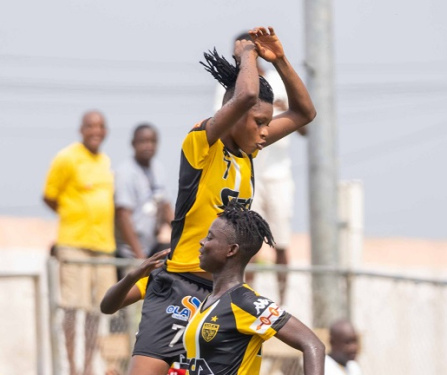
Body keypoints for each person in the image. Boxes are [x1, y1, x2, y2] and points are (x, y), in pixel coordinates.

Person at [101, 26, 316, 375]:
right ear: (233, 114)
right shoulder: (201, 144)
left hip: (223, 293)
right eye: (259, 123)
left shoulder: (248, 153)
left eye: (267, 123)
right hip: (178, 287)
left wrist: (280, 61)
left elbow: (305, 113)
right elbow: (245, 96)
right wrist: (247, 53)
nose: (266, 131)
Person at [214, 32, 307, 305]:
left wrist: (281, 110)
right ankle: (244, 295)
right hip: (242, 172)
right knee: (244, 239)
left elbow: (304, 121)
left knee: (281, 242)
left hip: (277, 175)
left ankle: (282, 301)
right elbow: (222, 121)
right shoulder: (229, 87)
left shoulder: (278, 83)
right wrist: (243, 69)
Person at [180, 202, 324, 374]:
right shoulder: (209, 300)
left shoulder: (246, 303)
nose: (202, 242)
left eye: (210, 237)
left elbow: (312, 344)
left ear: (231, 250)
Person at [43, 110, 116, 375]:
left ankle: (87, 367)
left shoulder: (105, 162)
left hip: (104, 246)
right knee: (74, 308)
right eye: (90, 126)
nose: (96, 131)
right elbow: (50, 196)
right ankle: (72, 366)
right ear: (81, 129)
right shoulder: (66, 158)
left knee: (97, 310)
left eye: (101, 126)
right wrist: (74, 218)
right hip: (74, 244)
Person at [114, 123, 174, 265]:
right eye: (143, 141)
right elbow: (123, 216)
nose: (148, 146)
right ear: (133, 143)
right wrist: (140, 259)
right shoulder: (126, 172)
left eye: (152, 141)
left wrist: (184, 238)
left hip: (151, 247)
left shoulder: (157, 169)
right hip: (130, 253)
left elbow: (166, 209)